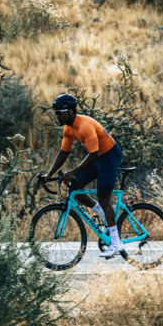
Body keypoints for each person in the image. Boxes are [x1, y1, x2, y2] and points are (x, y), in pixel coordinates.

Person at [39, 94, 124, 257]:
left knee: (104, 198)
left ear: (70, 111)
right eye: (55, 113)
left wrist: (73, 172)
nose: (57, 116)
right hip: (98, 157)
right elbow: (63, 152)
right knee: (75, 187)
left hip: (109, 156)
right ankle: (104, 216)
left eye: (60, 112)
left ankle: (116, 243)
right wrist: (48, 175)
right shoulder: (68, 128)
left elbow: (94, 154)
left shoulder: (84, 125)